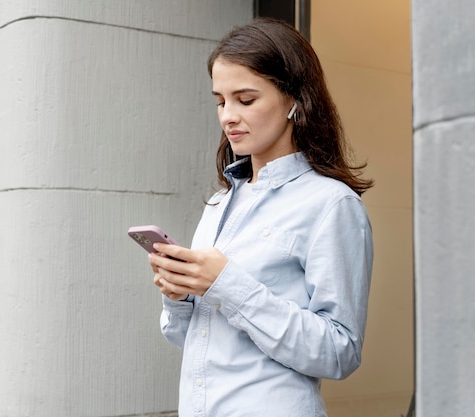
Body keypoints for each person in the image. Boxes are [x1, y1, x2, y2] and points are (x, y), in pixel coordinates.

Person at [148, 17, 373, 417]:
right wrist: (179, 298)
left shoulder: (331, 205)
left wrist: (227, 284)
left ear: (294, 100)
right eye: (220, 101)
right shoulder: (218, 204)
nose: (228, 116)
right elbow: (197, 343)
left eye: (245, 100)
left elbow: (340, 352)